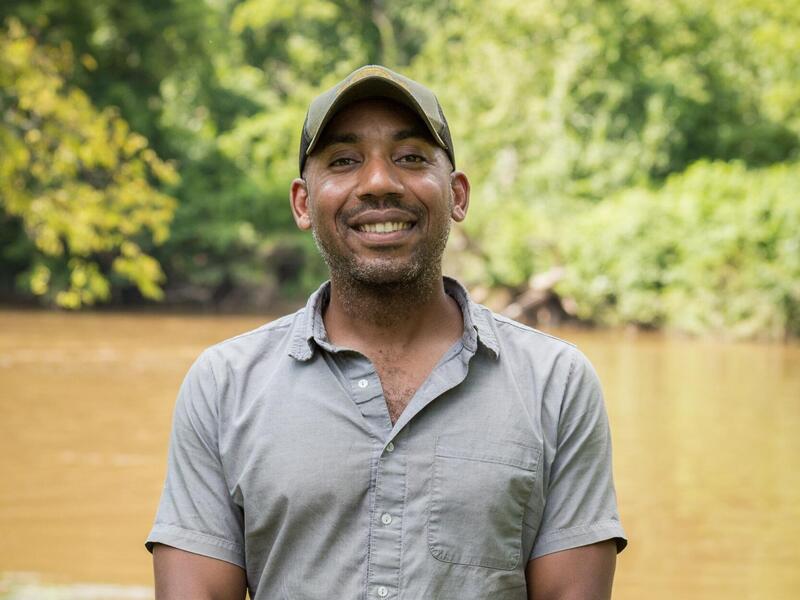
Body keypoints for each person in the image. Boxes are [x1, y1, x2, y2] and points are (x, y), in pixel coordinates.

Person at [146, 65, 627, 600]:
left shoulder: (556, 384)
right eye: (345, 161)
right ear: (304, 203)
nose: (378, 183)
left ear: (458, 195)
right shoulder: (223, 386)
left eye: (411, 158)